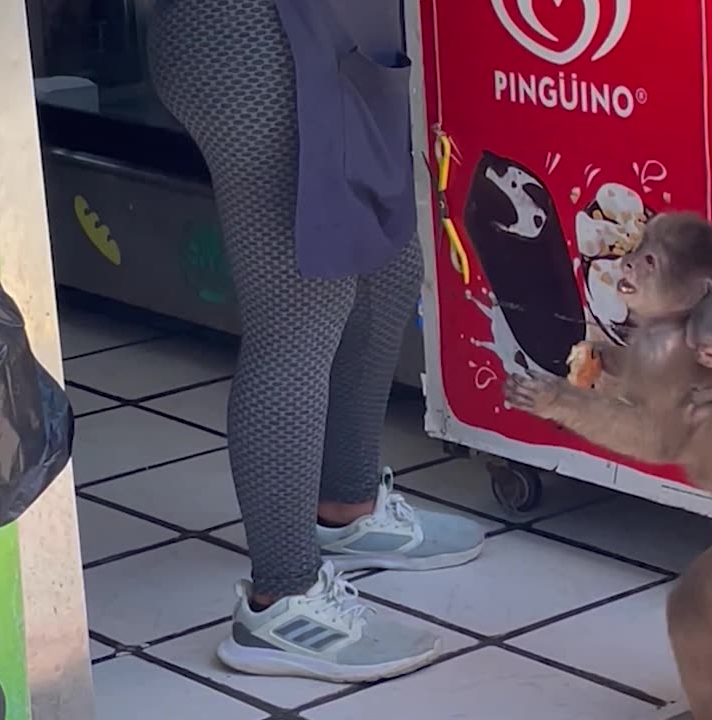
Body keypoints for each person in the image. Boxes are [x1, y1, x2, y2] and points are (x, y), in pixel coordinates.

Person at [146, 0, 485, 682]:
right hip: (253, 30)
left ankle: (346, 504)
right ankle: (282, 601)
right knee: (303, 298)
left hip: (342, 27)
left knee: (388, 268)